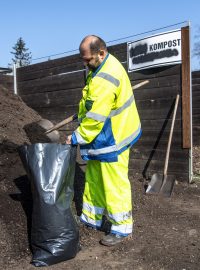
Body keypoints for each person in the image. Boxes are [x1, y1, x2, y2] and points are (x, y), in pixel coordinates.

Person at [66, 35, 141, 246]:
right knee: (94, 178)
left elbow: (95, 119)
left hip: (114, 138)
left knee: (114, 184)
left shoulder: (105, 78)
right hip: (105, 136)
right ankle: (92, 218)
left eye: (87, 59)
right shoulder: (100, 66)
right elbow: (94, 105)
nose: (85, 63)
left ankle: (121, 227)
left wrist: (75, 137)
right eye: (83, 59)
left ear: (101, 53)